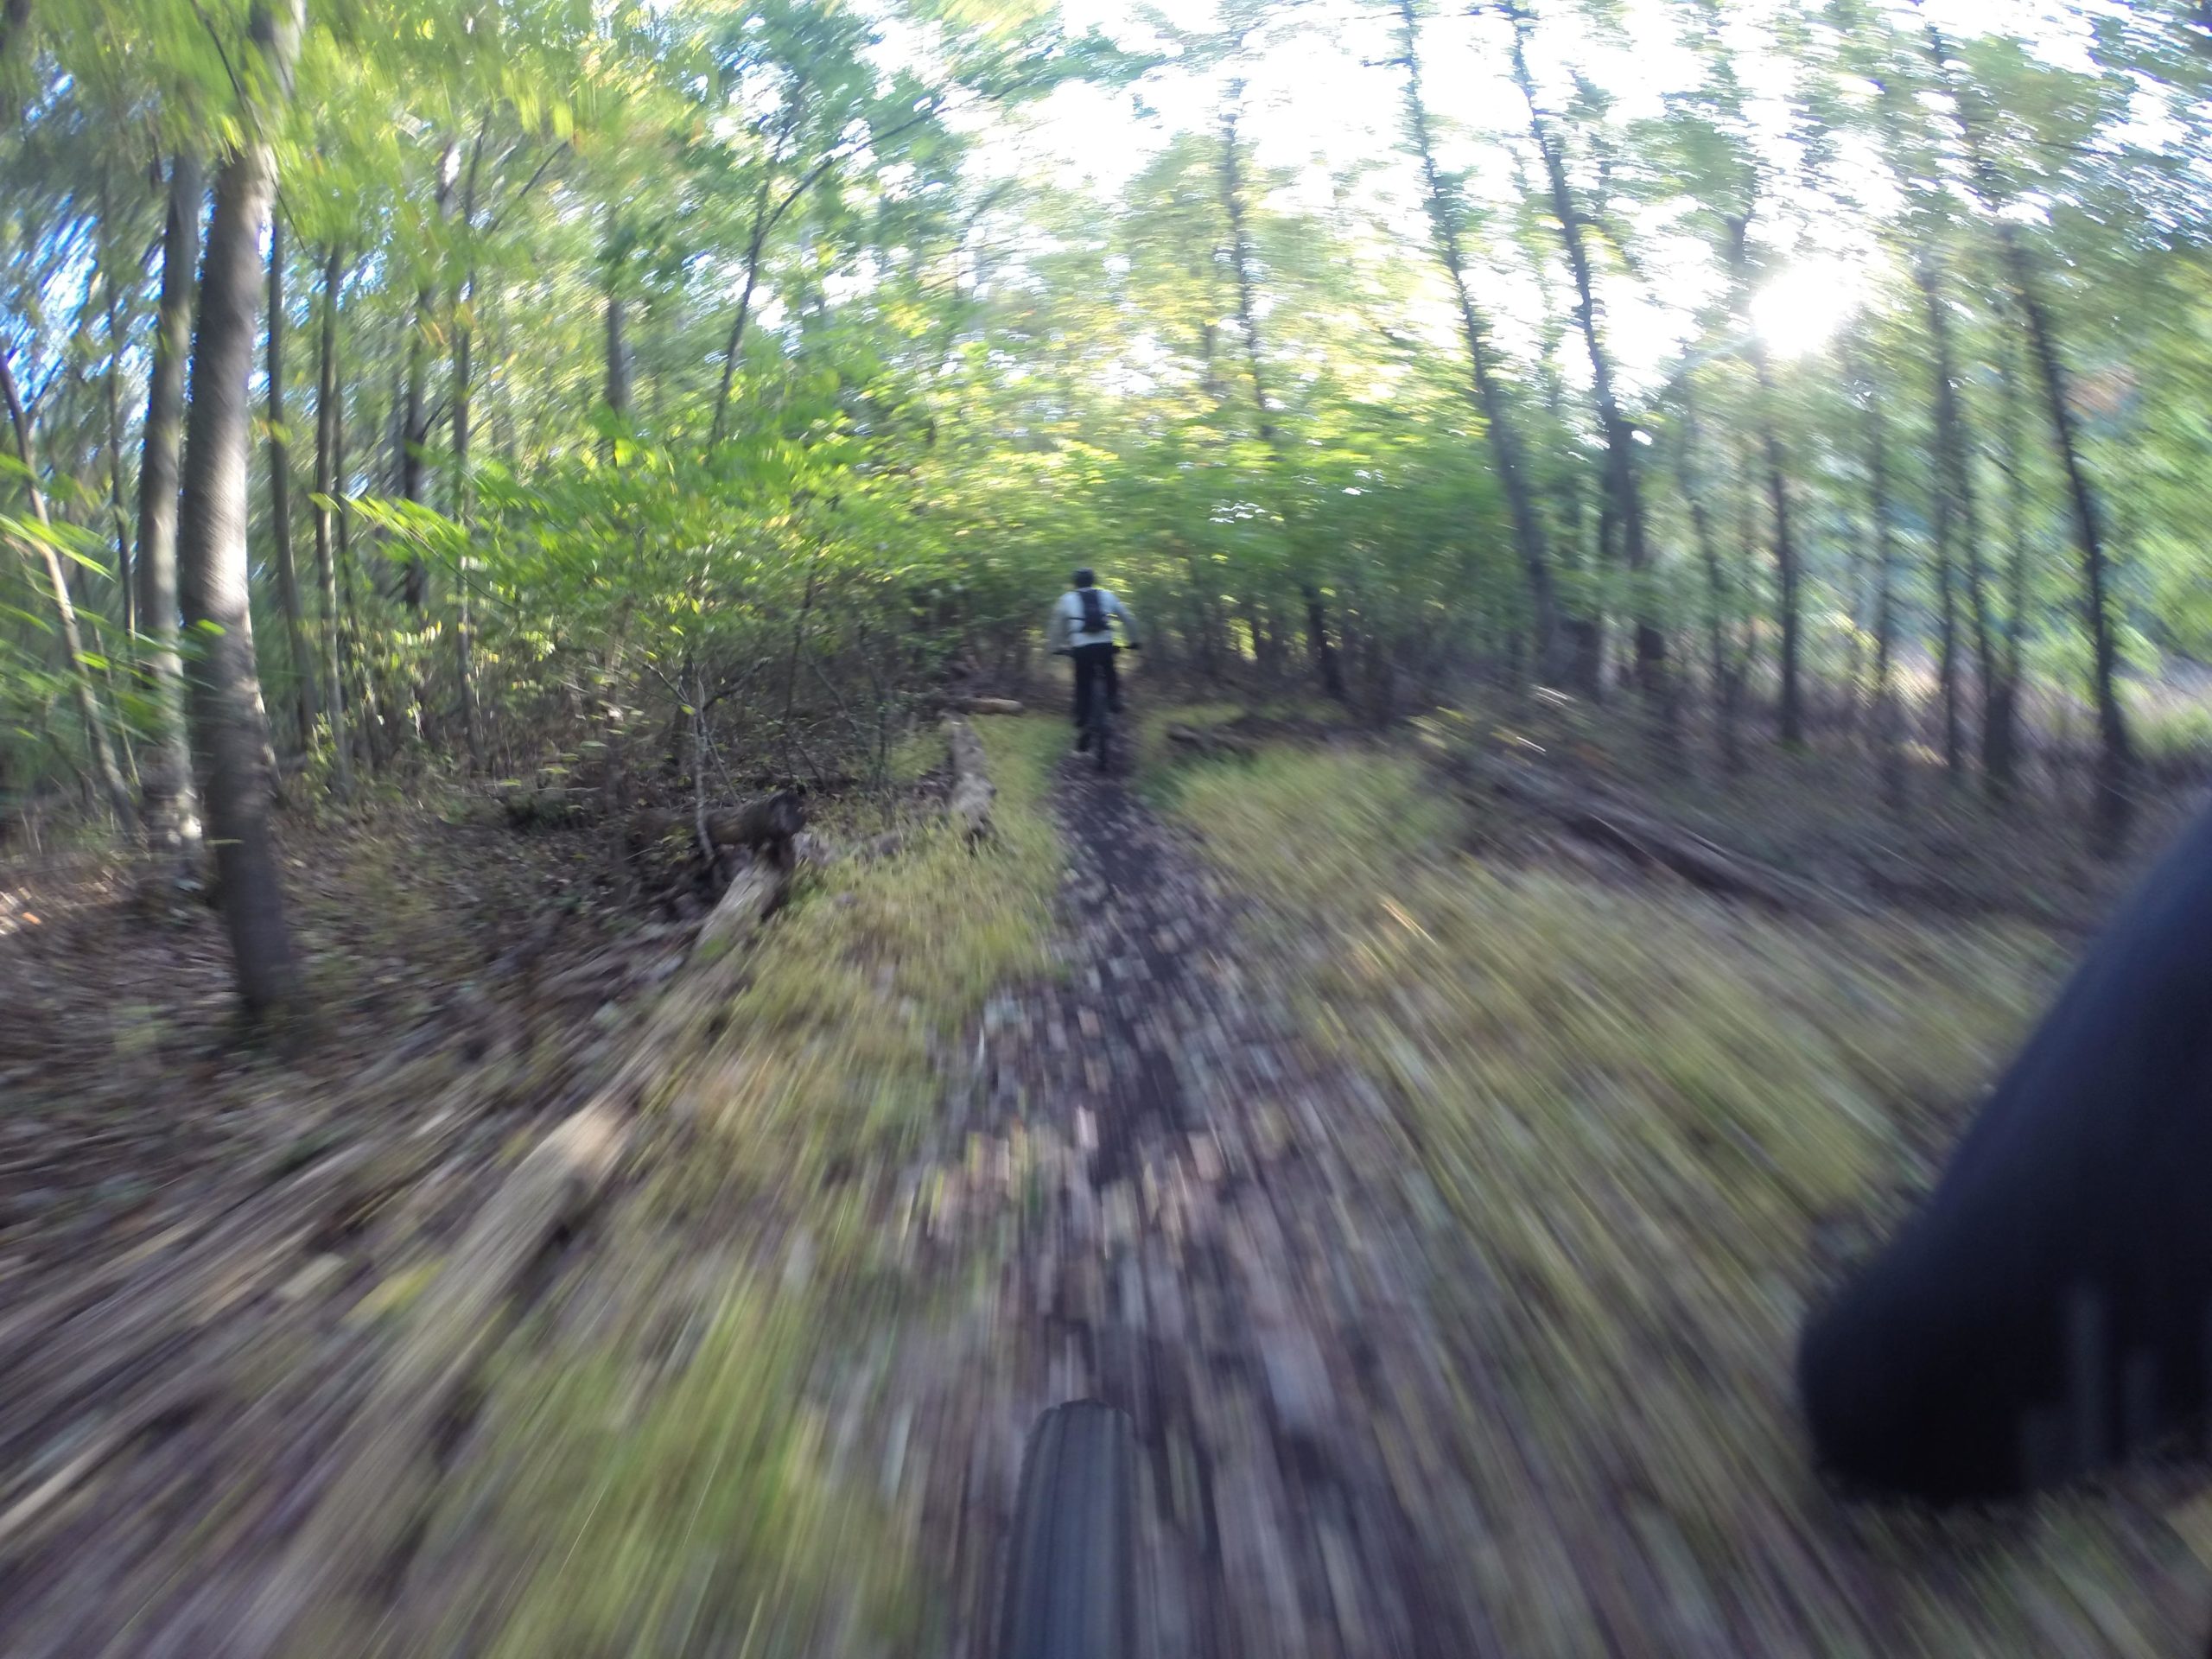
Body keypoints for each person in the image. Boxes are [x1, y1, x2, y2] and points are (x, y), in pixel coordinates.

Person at [1049, 569, 1138, 750]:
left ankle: (1082, 716)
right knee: (1110, 670)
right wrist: (1135, 641)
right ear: (1094, 581)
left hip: (1081, 648)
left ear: (1074, 583)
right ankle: (1113, 700)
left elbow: (1056, 625)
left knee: (1083, 681)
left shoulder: (1066, 599)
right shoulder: (1107, 595)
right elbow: (1127, 617)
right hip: (1105, 644)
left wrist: (1054, 647)